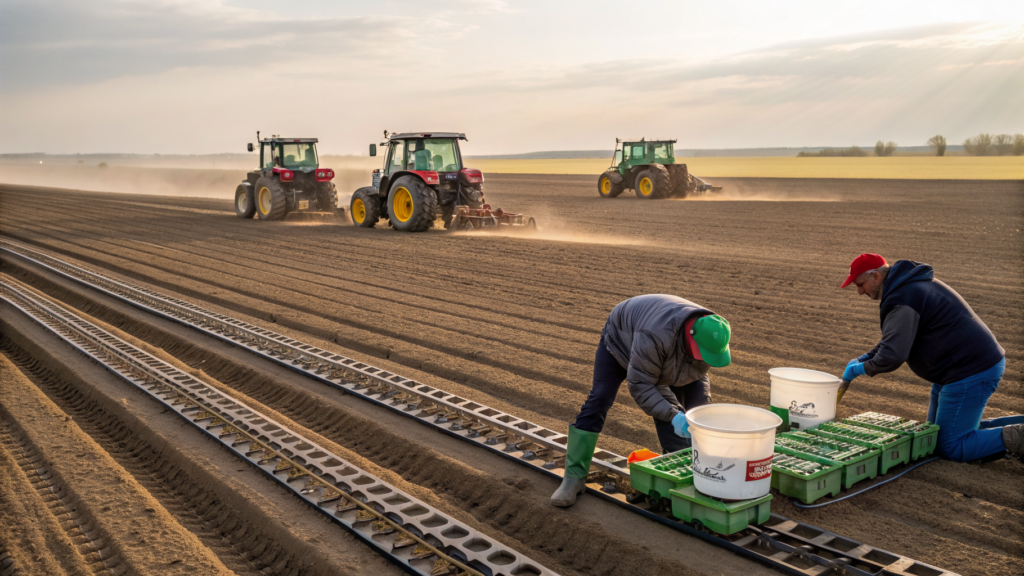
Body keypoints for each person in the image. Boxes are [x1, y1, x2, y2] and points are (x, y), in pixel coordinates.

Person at [550, 294, 732, 507]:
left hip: (665, 350)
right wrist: (674, 416)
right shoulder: (654, 336)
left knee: (694, 417)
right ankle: (573, 477)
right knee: (601, 397)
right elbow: (641, 385)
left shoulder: (712, 332)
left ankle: (679, 481)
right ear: (691, 340)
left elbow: (698, 380)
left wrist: (701, 420)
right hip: (621, 340)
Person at [840, 253, 1023, 462]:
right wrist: (866, 357)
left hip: (970, 370)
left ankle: (1019, 436)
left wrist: (861, 368)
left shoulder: (903, 298)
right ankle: (1011, 432)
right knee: (935, 434)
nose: (859, 292)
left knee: (950, 445)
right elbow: (895, 339)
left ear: (875, 276)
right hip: (957, 369)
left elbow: (893, 355)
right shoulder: (908, 287)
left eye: (860, 285)